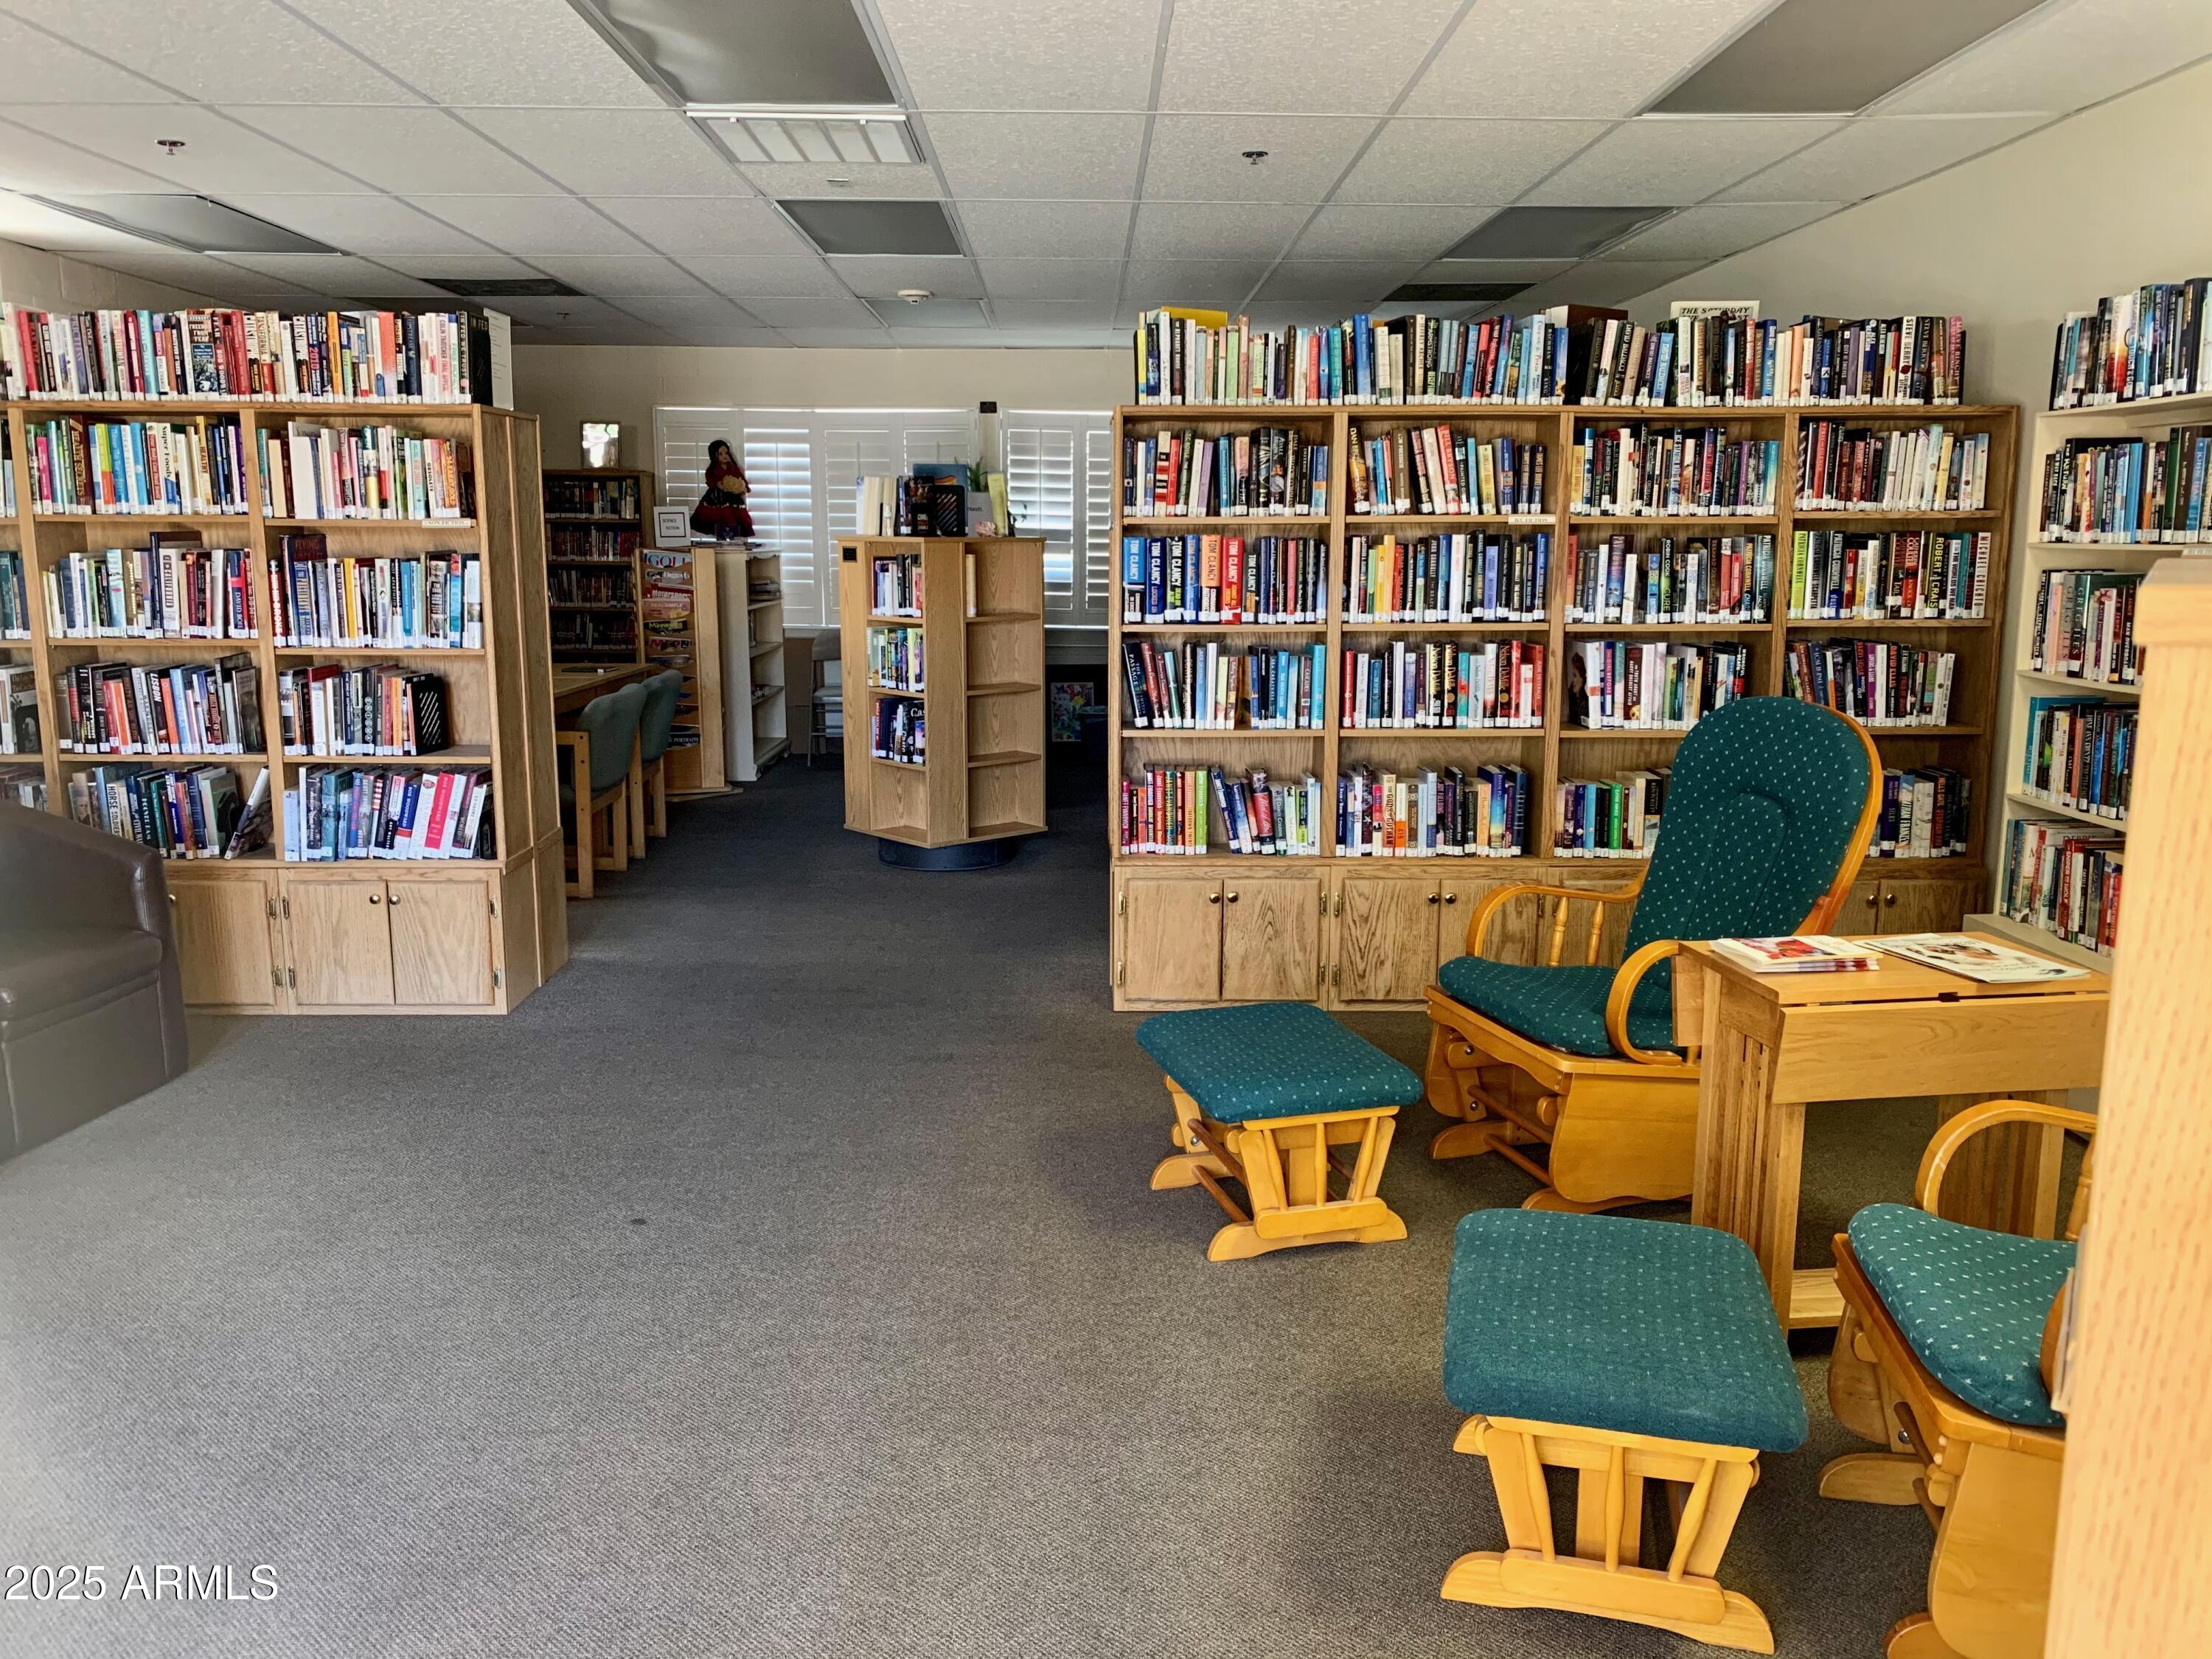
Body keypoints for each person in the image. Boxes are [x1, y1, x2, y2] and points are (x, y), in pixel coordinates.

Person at [689, 439, 753, 540]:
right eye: (720, 454)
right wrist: (717, 484)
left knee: (733, 521)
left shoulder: (734, 468)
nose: (725, 456)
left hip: (733, 497)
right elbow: (710, 480)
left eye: (726, 453)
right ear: (714, 455)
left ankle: (731, 540)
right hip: (717, 499)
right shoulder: (712, 470)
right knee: (719, 521)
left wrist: (743, 487)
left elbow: (741, 478)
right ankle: (720, 539)